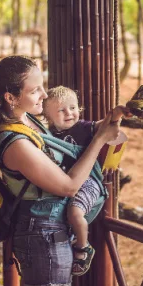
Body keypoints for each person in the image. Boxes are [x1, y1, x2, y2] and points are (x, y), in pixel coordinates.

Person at [0, 55, 121, 286]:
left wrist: (106, 122)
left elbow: (67, 131)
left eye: (43, 86)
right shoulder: (14, 142)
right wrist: (100, 140)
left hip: (52, 227)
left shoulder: (27, 119)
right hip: (42, 234)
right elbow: (69, 186)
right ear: (11, 97)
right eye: (34, 91)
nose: (44, 94)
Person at [42, 86, 130, 275]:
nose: (69, 113)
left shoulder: (83, 128)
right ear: (48, 116)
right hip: (63, 182)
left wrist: (117, 113)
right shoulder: (47, 135)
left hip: (88, 181)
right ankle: (69, 239)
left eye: (73, 108)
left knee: (74, 213)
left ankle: (83, 247)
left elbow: (105, 124)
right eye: (61, 110)